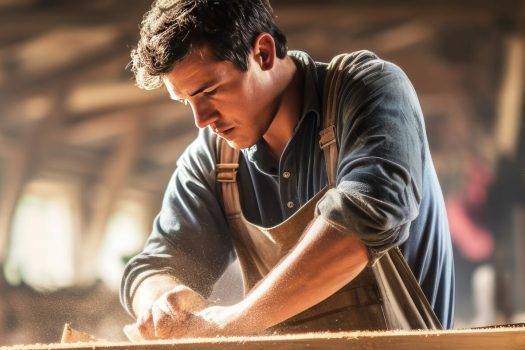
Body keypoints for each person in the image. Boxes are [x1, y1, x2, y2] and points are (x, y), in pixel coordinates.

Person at [120, 0, 454, 340]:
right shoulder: (212, 159)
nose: (201, 119)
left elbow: (365, 216)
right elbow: (153, 266)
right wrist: (163, 301)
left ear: (263, 53)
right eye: (186, 101)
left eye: (210, 91)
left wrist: (231, 323)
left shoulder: (369, 90)